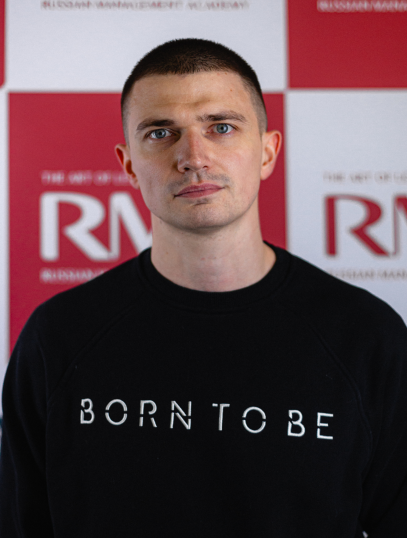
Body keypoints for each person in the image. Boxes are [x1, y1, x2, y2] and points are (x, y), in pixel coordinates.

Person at [0, 38, 406, 538]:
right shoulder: (59, 337)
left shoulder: (366, 337)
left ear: (267, 152)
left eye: (221, 127)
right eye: (160, 133)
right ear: (129, 165)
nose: (193, 157)